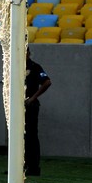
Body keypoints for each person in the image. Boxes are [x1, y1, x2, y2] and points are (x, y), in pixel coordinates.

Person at [24, 48, 52, 176]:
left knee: (31, 136)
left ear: (29, 53)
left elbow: (47, 82)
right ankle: (19, 166)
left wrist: (33, 97)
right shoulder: (14, 67)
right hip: (17, 107)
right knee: (17, 137)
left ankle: (33, 167)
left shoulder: (34, 67)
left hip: (30, 106)